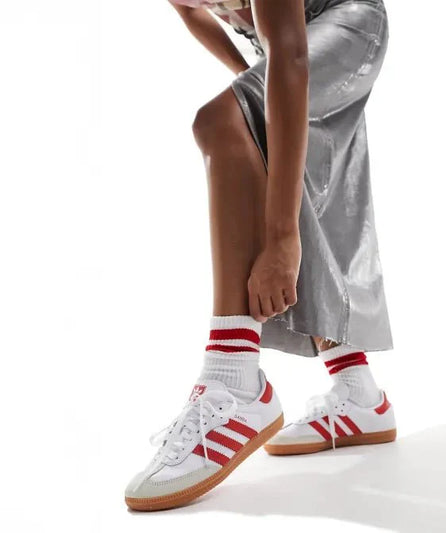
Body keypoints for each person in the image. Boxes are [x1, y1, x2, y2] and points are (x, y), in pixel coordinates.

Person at [125, 0, 395, 511]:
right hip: (281, 40)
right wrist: (247, 77)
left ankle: (234, 381)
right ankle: (359, 392)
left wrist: (282, 240)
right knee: (280, 150)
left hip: (348, 21)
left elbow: (290, 57)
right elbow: (191, 11)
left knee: (222, 121)